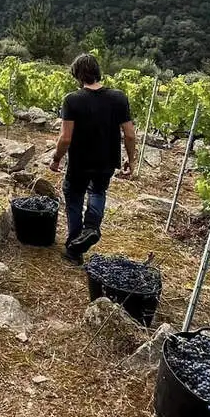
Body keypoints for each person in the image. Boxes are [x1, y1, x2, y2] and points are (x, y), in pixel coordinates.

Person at [49, 54, 137, 265]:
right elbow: (130, 134)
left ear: (78, 76)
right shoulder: (119, 98)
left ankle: (74, 249)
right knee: (98, 191)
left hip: (79, 162)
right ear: (98, 72)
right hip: (107, 161)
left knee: (74, 198)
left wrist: (56, 158)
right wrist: (131, 159)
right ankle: (91, 227)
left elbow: (66, 138)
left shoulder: (72, 100)